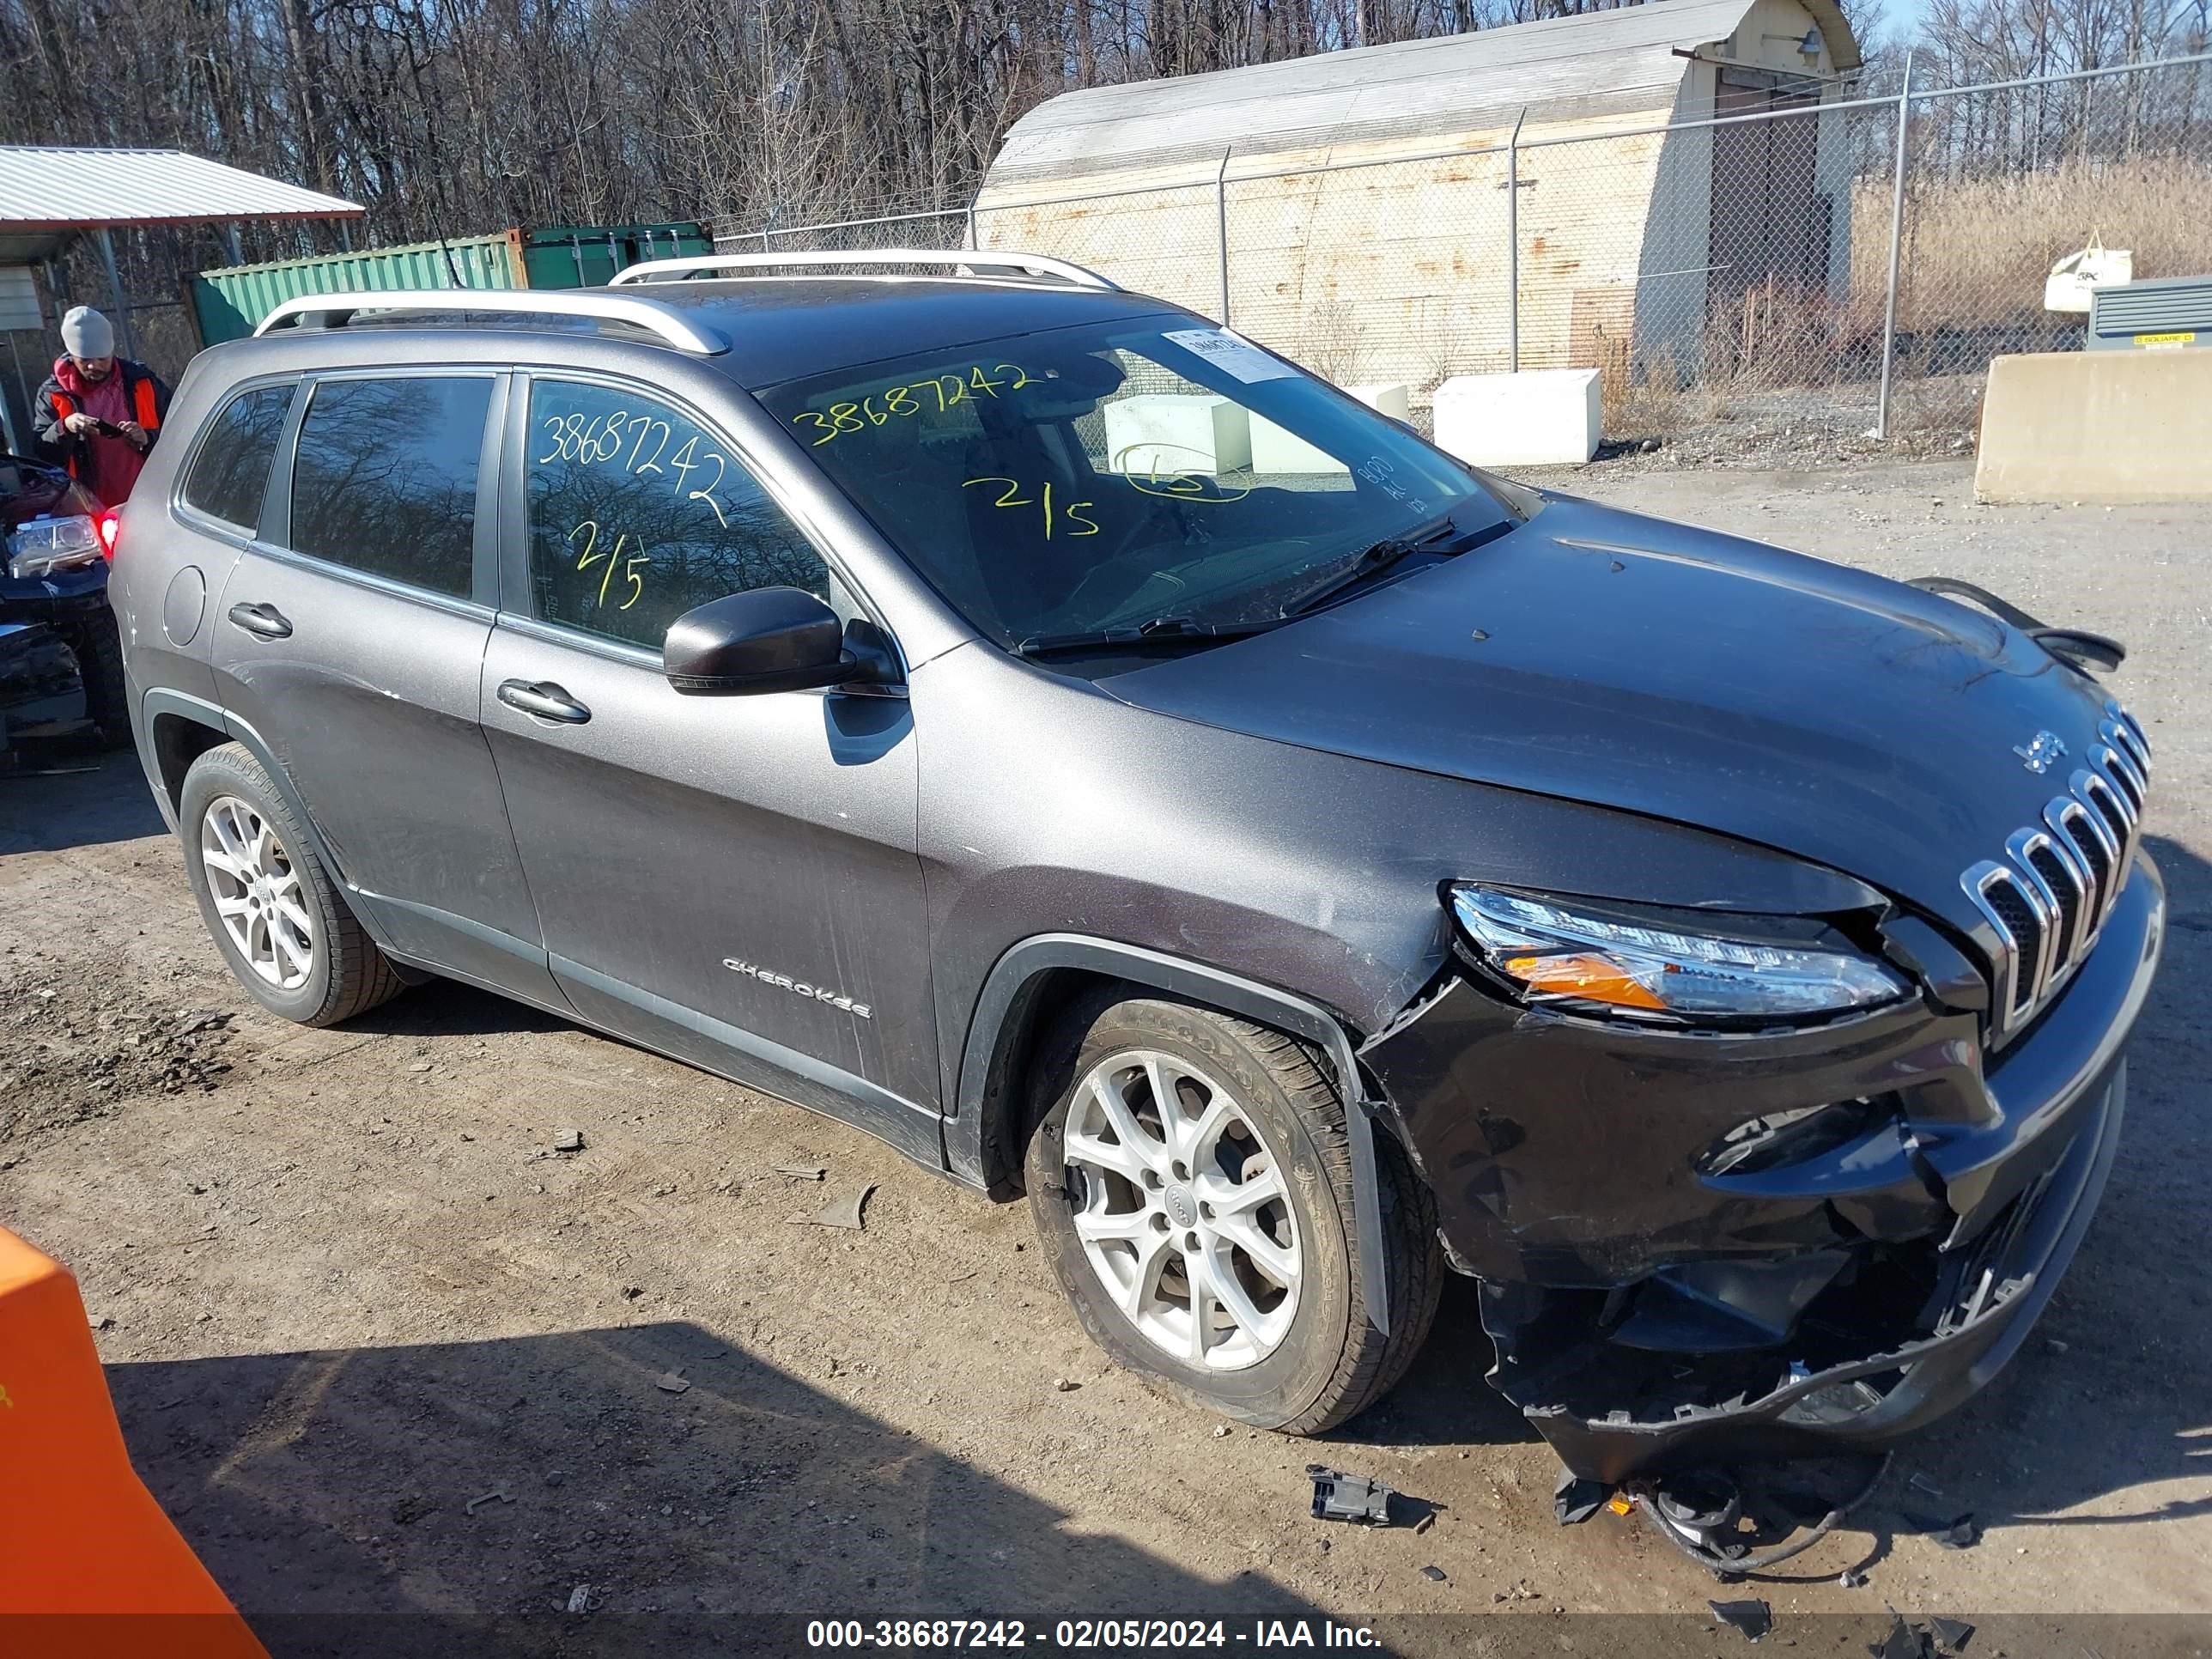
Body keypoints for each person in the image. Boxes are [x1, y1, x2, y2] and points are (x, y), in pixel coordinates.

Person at [33, 307, 171, 507]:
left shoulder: (142, 381)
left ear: (112, 351)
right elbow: (43, 453)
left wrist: (147, 438)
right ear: (72, 357)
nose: (94, 366)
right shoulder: (53, 393)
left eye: (101, 359)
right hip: (89, 504)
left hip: (152, 497)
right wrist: (65, 427)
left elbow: (180, 431)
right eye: (85, 360)